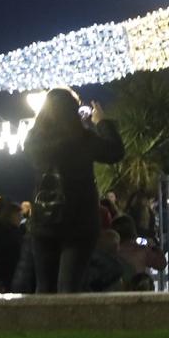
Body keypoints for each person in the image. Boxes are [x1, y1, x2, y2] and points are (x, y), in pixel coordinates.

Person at [23, 88, 125, 295]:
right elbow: (115, 151)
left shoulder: (34, 141)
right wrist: (102, 123)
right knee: (70, 285)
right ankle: (68, 323)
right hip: (79, 220)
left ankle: (44, 325)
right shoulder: (82, 140)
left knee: (44, 285)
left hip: (44, 218)